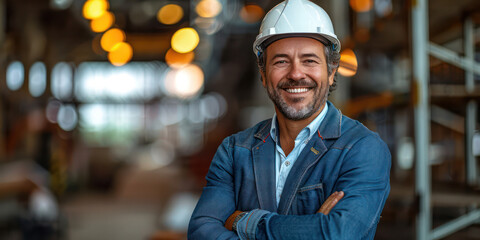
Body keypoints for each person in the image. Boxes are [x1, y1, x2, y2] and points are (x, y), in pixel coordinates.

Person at [188, 0, 391, 239]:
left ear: (332, 70)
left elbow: (335, 233)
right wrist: (311, 227)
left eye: (309, 60)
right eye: (281, 61)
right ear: (263, 75)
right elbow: (201, 231)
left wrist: (247, 222)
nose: (295, 74)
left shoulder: (362, 149)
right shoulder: (234, 151)